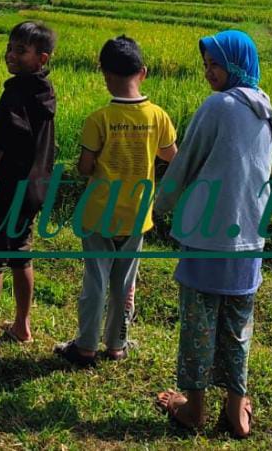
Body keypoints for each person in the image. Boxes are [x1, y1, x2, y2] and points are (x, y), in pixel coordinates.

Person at [152, 30, 272, 440]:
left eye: (216, 65)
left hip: (208, 237)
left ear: (235, 64)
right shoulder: (264, 107)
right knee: (238, 325)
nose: (209, 72)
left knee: (198, 323)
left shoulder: (218, 106)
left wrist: (159, 206)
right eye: (206, 65)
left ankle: (193, 409)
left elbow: (185, 163)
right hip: (249, 238)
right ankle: (236, 409)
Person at [54, 35, 177, 368]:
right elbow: (171, 156)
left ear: (105, 75)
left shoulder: (99, 119)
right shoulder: (158, 117)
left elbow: (84, 167)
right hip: (137, 215)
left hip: (98, 214)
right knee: (125, 284)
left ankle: (85, 347)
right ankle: (117, 345)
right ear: (144, 72)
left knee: (95, 280)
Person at [0, 21, 58, 350]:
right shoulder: (45, 91)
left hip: (5, 189)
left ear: (41, 58)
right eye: (10, 47)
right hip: (32, 190)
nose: (11, 55)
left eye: (21, 50)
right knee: (21, 255)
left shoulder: (15, 94)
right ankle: (22, 325)